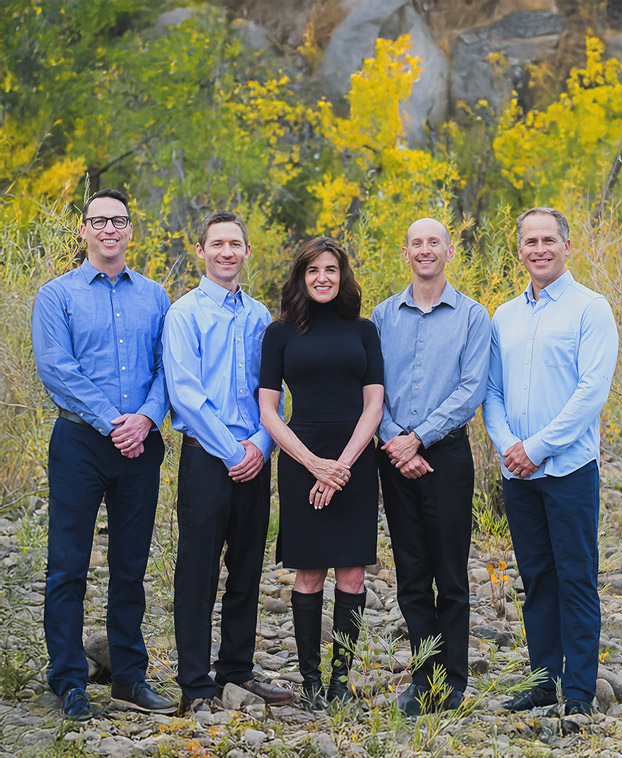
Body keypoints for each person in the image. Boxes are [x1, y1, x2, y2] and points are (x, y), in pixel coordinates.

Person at [31, 188, 176, 720]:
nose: (109, 229)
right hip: (80, 444)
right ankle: (68, 679)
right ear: (84, 230)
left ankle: (129, 677)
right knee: (66, 566)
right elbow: (56, 369)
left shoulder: (156, 296)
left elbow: (168, 367)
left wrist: (145, 418)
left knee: (130, 566)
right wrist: (113, 421)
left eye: (119, 220)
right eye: (99, 221)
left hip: (140, 443)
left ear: (131, 230)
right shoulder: (57, 295)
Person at [482, 207, 619, 715]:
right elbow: (491, 390)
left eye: (548, 240)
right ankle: (544, 681)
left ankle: (579, 693)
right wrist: (508, 448)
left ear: (566, 245)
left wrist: (536, 448)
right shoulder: (505, 314)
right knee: (536, 578)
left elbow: (591, 394)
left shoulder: (590, 308)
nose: (539, 249)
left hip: (568, 471)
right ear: (519, 250)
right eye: (530, 241)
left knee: (576, 578)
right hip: (517, 472)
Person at [163, 211, 296, 715]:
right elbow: (186, 395)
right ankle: (195, 683)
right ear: (200, 251)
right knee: (197, 571)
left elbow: (272, 393)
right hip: (206, 459)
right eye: (216, 243)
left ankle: (236, 671)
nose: (225, 252)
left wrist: (261, 446)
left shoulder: (261, 316)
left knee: (246, 567)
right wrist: (233, 450)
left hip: (254, 460)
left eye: (234, 244)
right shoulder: (185, 314)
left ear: (246, 252)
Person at [258, 237, 384, 709]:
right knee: (308, 573)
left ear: (342, 275)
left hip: (355, 461)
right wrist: (313, 464)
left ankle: (339, 682)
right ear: (300, 278)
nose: (323, 278)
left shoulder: (364, 331)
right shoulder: (280, 333)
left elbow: (375, 403)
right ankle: (310, 680)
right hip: (300, 460)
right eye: (313, 271)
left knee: (352, 572)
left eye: (331, 269)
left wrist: (343, 465)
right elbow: (268, 410)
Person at [371, 218, 489, 715]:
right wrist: (396, 440)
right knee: (411, 572)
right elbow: (370, 387)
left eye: (433, 243)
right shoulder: (381, 316)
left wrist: (418, 438)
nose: (425, 250)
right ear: (405, 252)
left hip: (447, 458)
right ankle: (424, 679)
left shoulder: (473, 316)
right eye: (416, 242)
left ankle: (454, 682)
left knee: (450, 572)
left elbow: (471, 390)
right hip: (393, 455)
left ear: (450, 250)